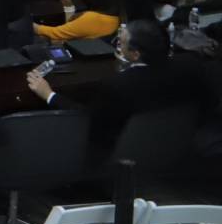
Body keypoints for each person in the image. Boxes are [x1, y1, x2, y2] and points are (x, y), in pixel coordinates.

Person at [27, 19, 198, 142]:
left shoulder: (118, 85)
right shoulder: (189, 68)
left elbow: (86, 119)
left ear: (135, 54)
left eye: (121, 43)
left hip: (120, 150)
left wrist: (49, 95)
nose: (119, 47)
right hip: (176, 144)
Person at [38, 0, 124, 43]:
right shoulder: (116, 17)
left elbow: (55, 33)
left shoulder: (92, 18)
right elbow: (72, 30)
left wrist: (31, 26)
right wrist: (67, 4)